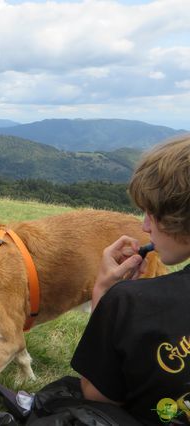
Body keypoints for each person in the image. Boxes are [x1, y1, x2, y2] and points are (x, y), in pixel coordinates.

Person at [70, 135, 190, 425]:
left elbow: (100, 399)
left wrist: (104, 294)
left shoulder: (127, 302)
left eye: (152, 213)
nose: (144, 226)